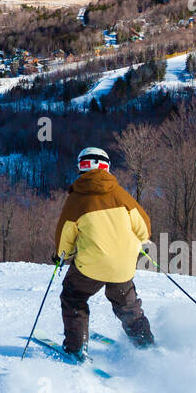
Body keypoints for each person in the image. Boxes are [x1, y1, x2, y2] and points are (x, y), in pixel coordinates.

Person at [54, 146, 154, 357]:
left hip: (90, 268)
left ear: (81, 167)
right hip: (123, 266)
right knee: (127, 306)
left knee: (74, 297)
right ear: (106, 167)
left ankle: (76, 347)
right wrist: (139, 242)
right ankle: (146, 346)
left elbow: (65, 237)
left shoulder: (76, 199)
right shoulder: (121, 195)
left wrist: (61, 255)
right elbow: (143, 227)